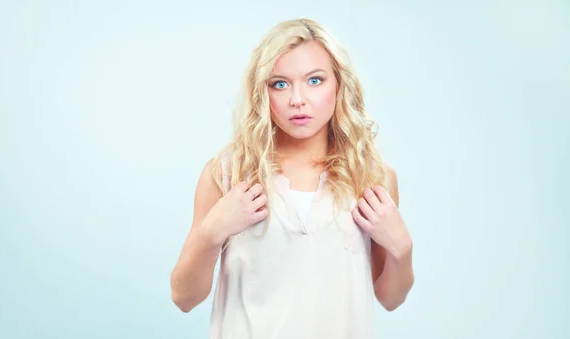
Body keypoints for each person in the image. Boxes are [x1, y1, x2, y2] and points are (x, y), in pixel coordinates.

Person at [170, 18, 414, 339]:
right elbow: (184, 297)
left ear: (339, 85)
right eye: (280, 84)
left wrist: (402, 249)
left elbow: (391, 298)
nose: (297, 99)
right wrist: (212, 233)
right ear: (262, 93)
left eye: (315, 81)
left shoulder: (371, 176)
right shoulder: (229, 173)